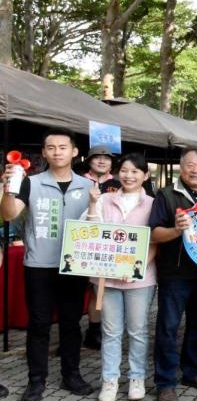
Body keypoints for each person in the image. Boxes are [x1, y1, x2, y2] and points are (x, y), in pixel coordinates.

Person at [2, 128, 95, 401]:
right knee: (39, 324)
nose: (57, 152)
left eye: (62, 147)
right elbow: (9, 213)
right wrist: (9, 189)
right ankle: (36, 380)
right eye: (51, 147)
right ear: (43, 152)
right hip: (38, 264)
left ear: (75, 152)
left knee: (71, 323)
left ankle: (71, 375)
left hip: (73, 265)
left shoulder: (89, 187)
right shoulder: (30, 182)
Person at [84, 153, 157, 401]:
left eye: (135, 171)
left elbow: (155, 240)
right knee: (111, 331)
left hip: (140, 279)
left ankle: (137, 377)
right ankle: (110, 380)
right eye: (124, 170)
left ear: (145, 175)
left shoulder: (152, 203)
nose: (129, 175)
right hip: (107, 277)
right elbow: (91, 231)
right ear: (117, 173)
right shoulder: (104, 198)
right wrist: (93, 204)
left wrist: (136, 267)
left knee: (138, 330)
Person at [149, 147, 197, 401]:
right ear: (181, 166)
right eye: (191, 165)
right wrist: (176, 231)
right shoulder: (166, 195)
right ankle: (165, 382)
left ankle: (192, 371)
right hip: (174, 273)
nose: (196, 170)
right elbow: (154, 233)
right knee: (168, 327)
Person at [82, 145, 115, 350]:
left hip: (106, 246)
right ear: (89, 160)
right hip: (81, 242)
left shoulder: (119, 183)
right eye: (97, 157)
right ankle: (71, 333)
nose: (102, 161)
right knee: (75, 292)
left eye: (106, 158)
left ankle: (95, 331)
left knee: (99, 291)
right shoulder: (80, 181)